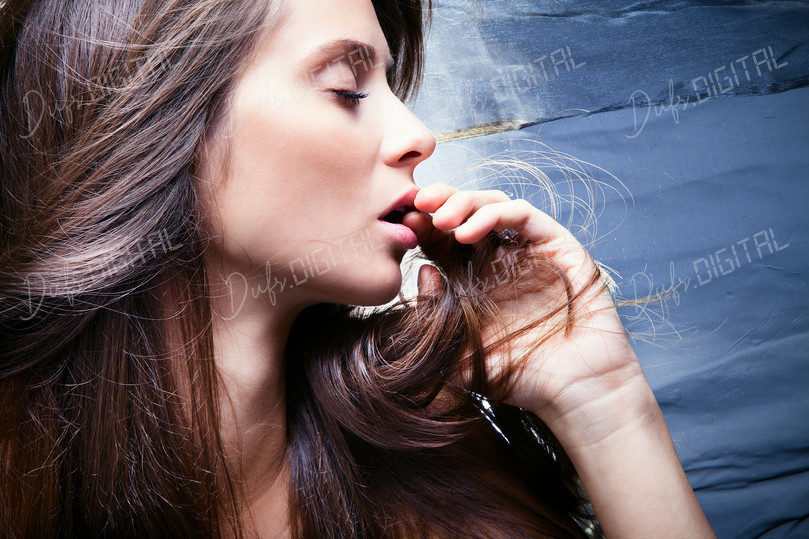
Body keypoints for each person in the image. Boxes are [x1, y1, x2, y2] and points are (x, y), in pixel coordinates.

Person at [0, 0, 716, 536]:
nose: (417, 136)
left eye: (395, 87)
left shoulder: (419, 441)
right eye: (347, 88)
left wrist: (603, 406)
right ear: (151, 119)